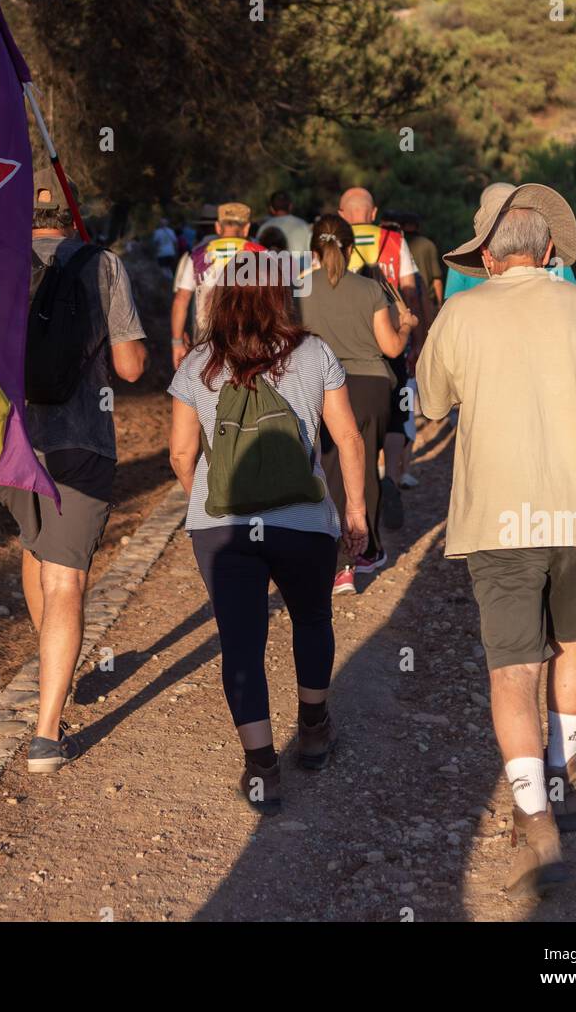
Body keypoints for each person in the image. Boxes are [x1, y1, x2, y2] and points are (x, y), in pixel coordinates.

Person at [415, 183, 576, 898]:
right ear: (549, 249)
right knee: (573, 642)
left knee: (510, 667)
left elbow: (429, 403)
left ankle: (533, 821)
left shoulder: (461, 315)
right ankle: (567, 775)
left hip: (499, 515)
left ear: (488, 259)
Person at [0, 166, 148, 775]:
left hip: (6, 444)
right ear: (73, 213)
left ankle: (53, 663)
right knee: (66, 583)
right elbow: (131, 368)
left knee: (36, 548)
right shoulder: (102, 264)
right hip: (80, 441)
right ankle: (46, 736)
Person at [168, 272, 368, 814]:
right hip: (302, 521)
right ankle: (313, 730)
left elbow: (181, 456)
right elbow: (347, 437)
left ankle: (261, 768)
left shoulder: (197, 363)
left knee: (241, 640)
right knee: (311, 620)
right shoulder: (314, 352)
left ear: (221, 304)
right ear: (281, 300)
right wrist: (354, 511)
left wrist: (208, 500)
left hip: (224, 530)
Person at [298, 215, 416, 593]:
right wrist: (408, 325)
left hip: (320, 383)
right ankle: (366, 550)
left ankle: (340, 561)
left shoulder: (297, 289)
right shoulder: (370, 289)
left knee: (330, 465)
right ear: (349, 249)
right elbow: (392, 348)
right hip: (372, 387)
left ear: (314, 251)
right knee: (364, 464)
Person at [339, 187, 425, 528]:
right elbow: (409, 291)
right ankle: (390, 476)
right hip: (391, 337)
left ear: (343, 214)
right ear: (372, 212)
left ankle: (356, 482)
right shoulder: (393, 239)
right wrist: (415, 337)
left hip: (348, 344)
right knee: (394, 412)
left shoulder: (334, 242)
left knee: (349, 416)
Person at [444, 184, 576, 301]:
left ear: (486, 255)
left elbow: (449, 301)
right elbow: (573, 296)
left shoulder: (457, 309)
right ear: (548, 249)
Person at [170, 201, 264, 368]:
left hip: (207, 344)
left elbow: (181, 299)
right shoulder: (261, 254)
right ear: (247, 228)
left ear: (218, 227)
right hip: (251, 344)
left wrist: (177, 342)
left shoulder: (197, 255)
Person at [256, 189, 312, 256]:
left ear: (271, 209)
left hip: (272, 265)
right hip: (301, 265)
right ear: (290, 206)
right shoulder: (304, 226)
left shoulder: (264, 228)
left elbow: (258, 253)